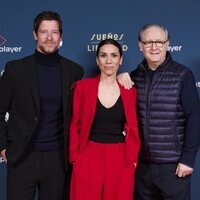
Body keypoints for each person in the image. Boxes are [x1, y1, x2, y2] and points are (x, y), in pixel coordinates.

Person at [0, 11, 84, 200]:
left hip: (58, 158)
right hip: (23, 156)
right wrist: (3, 147)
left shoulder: (74, 71)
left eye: (54, 32)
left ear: (60, 36)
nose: (49, 37)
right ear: (35, 34)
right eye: (44, 32)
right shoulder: (15, 69)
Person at [118, 24, 200, 200]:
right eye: (148, 42)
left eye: (159, 42)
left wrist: (187, 159)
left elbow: (194, 118)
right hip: (141, 168)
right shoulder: (133, 78)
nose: (154, 47)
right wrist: (117, 78)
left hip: (173, 168)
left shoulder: (183, 75)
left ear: (167, 44)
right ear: (140, 45)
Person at [69, 39, 140, 200]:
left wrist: (132, 161)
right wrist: (75, 158)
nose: (109, 61)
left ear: (120, 60)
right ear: (97, 60)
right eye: (103, 55)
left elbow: (133, 127)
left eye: (114, 55)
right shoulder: (83, 87)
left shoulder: (130, 91)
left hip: (120, 158)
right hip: (88, 155)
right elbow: (75, 125)